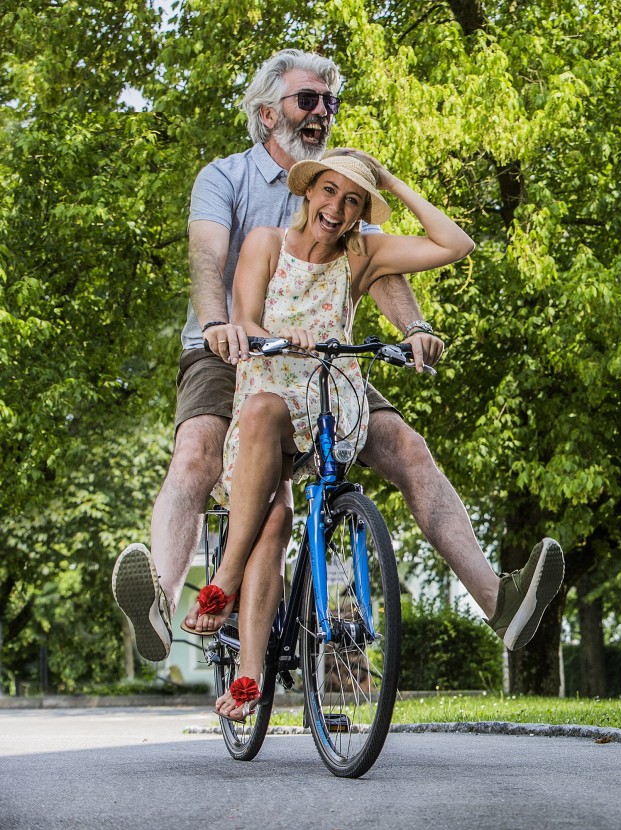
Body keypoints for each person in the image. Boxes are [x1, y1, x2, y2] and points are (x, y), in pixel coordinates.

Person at [111, 48, 563, 672]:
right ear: (268, 113)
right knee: (197, 453)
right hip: (235, 348)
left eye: (330, 103)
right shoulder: (227, 178)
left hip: (322, 358)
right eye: (308, 101)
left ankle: (498, 602)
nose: (322, 113)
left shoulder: (342, 186)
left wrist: (415, 328)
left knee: (408, 448)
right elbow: (208, 260)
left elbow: (380, 271)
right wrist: (218, 325)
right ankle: (161, 599)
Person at [205, 148, 479, 718]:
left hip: (330, 397)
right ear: (309, 192)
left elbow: (455, 244)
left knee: (377, 463)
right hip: (269, 392)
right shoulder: (264, 242)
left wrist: (390, 180)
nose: (337, 207)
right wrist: (280, 337)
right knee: (272, 517)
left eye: (353, 200)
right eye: (330, 192)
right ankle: (245, 654)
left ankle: (242, 594)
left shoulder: (361, 254)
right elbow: (247, 318)